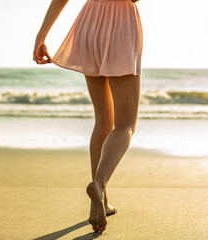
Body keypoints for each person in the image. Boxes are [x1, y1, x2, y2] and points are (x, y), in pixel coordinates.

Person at [33, 0, 142, 233]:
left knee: (103, 120)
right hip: (121, 25)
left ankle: (101, 201)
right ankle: (99, 184)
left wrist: (41, 36)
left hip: (89, 24)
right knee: (125, 125)